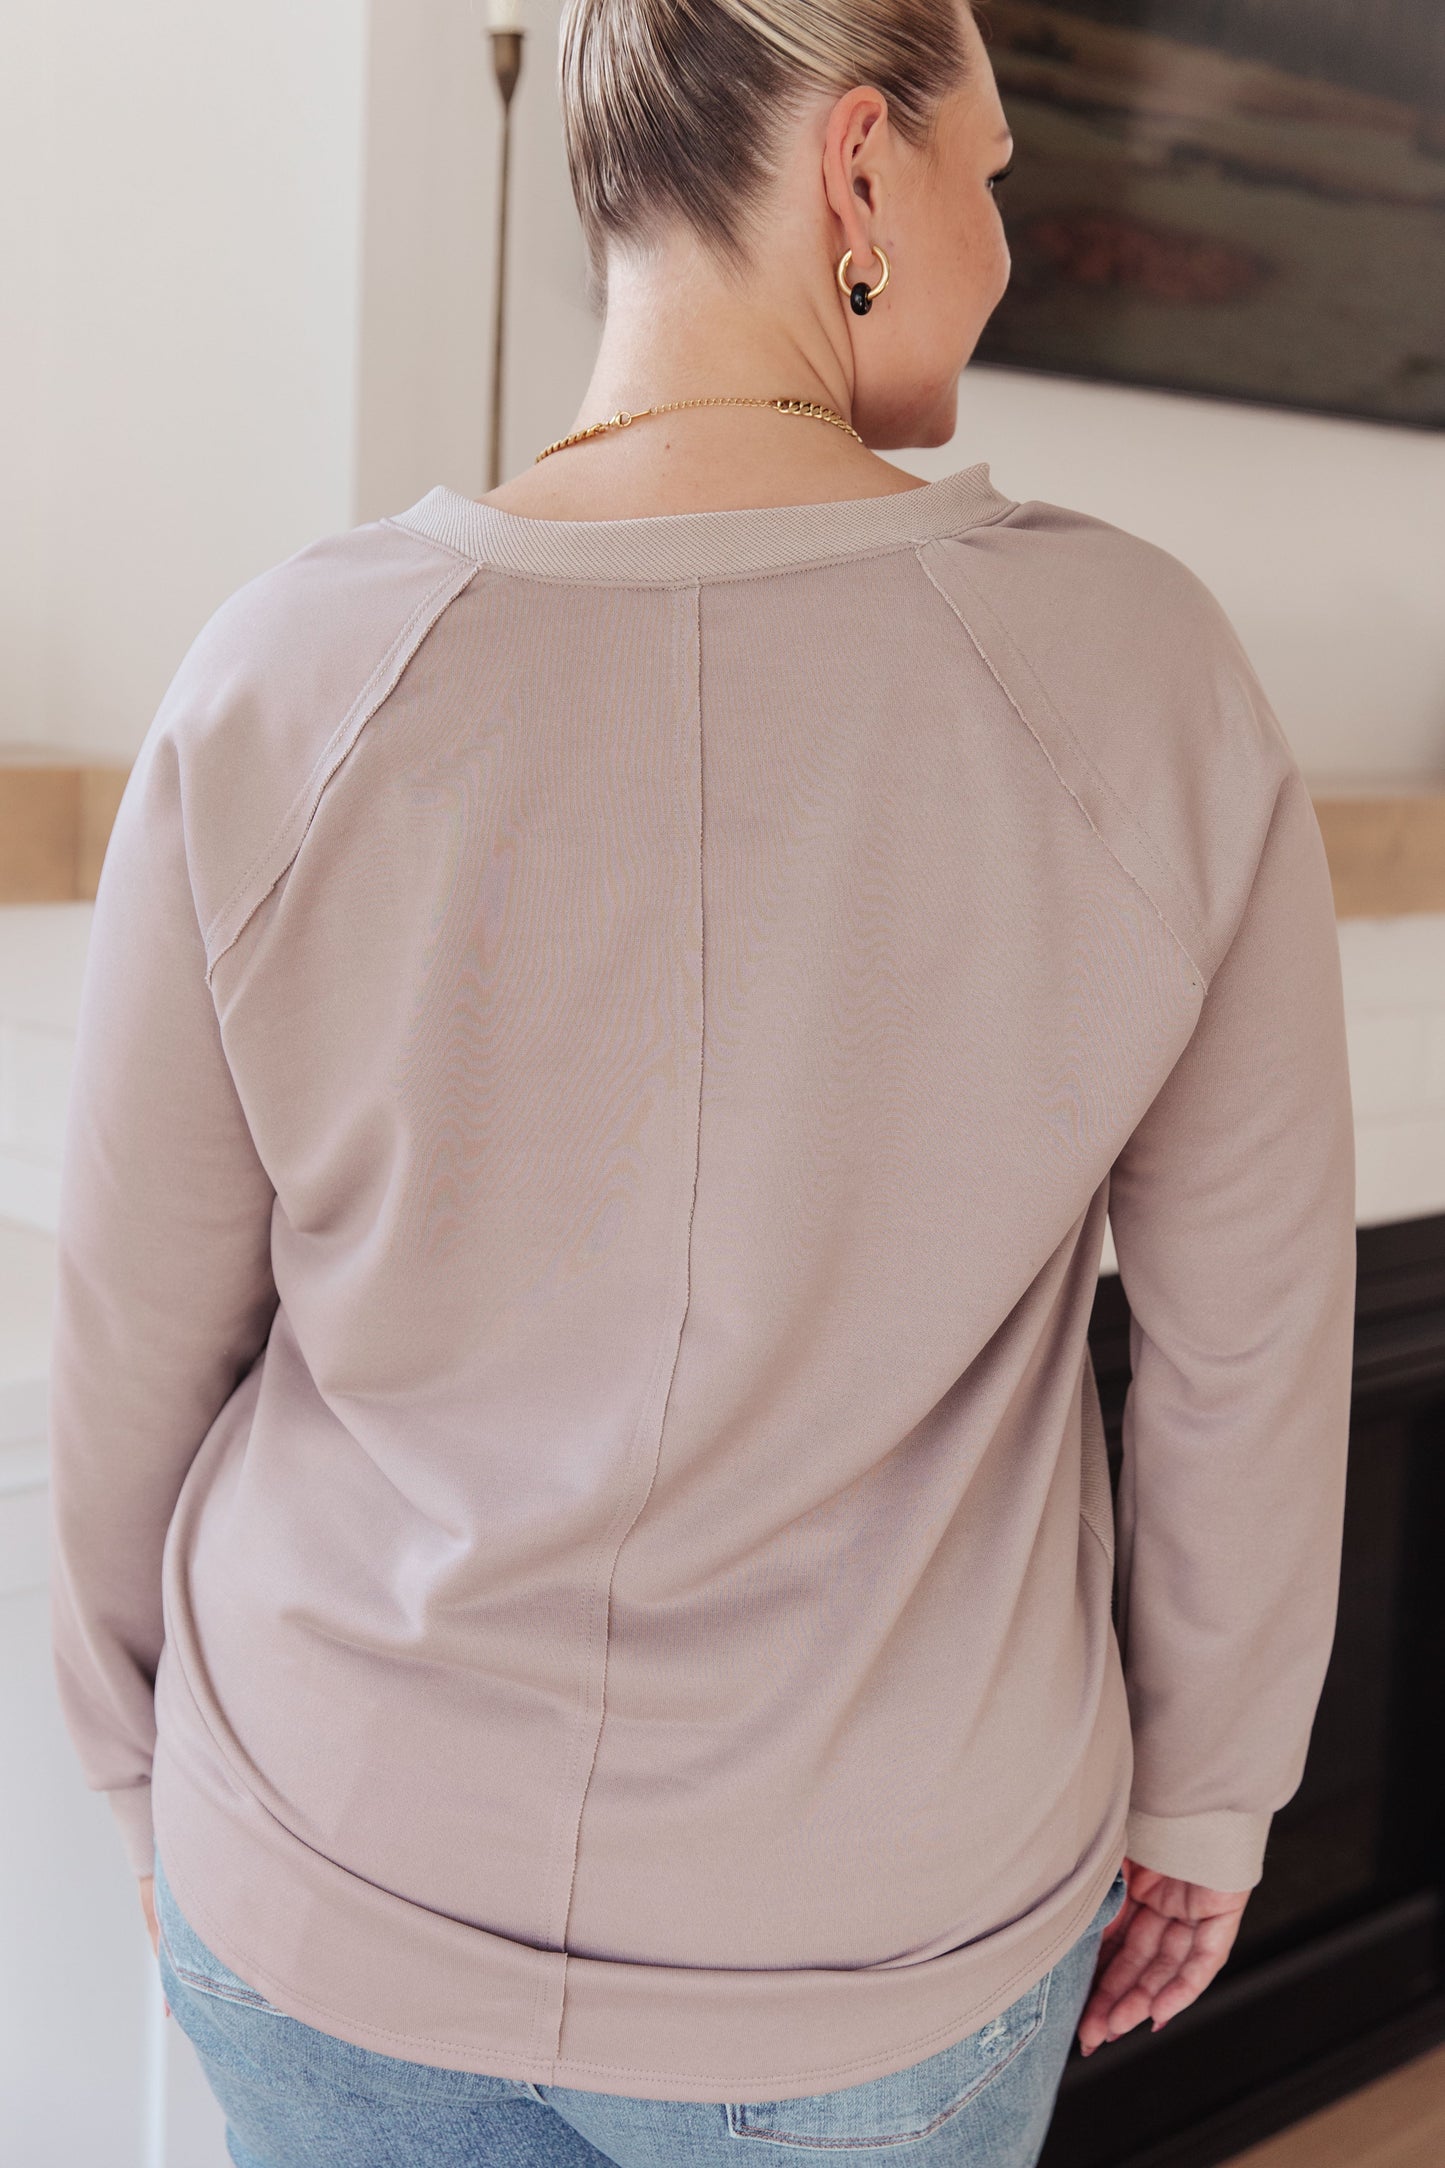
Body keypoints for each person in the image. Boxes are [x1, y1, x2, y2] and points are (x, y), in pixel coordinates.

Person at [48, 0, 1357, 2162]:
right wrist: (1212, 1792)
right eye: (992, 170)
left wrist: (136, 1778)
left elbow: (135, 1336)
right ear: (860, 174)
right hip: (869, 1956)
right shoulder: (1141, 676)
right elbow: (1247, 1341)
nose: (1003, 234)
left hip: (321, 1866)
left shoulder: (283, 674)